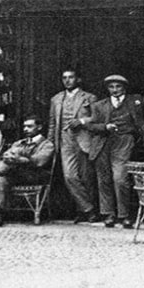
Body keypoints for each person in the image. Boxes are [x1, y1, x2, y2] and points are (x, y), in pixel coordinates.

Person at [84, 75, 144, 228]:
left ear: (124, 88)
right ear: (107, 89)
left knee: (120, 178)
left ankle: (124, 214)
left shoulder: (134, 102)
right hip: (103, 142)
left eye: (118, 87)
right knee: (104, 179)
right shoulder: (99, 105)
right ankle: (108, 214)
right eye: (111, 87)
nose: (115, 90)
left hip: (124, 141)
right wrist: (104, 127)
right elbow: (91, 126)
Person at [0, 115, 54, 228]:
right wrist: (16, 158)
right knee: (0, 180)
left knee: (15, 156)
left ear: (39, 127)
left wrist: (21, 158)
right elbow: (5, 156)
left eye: (29, 126)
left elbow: (39, 162)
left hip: (35, 175)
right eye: (24, 127)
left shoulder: (47, 144)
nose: (25, 129)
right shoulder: (19, 142)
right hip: (16, 174)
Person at [48, 69, 99, 223]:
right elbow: (52, 123)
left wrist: (82, 121)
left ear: (78, 79)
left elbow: (98, 117)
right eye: (64, 78)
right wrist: (50, 143)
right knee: (69, 176)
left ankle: (84, 211)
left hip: (84, 139)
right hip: (64, 141)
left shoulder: (89, 97)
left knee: (86, 177)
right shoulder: (56, 99)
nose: (67, 80)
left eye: (71, 77)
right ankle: (88, 209)